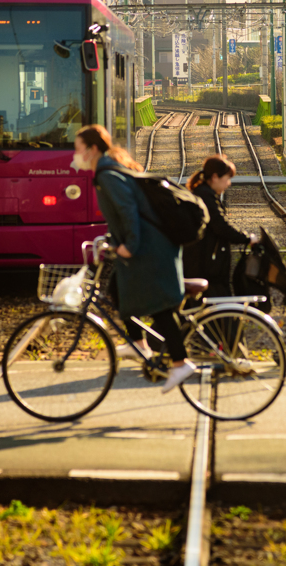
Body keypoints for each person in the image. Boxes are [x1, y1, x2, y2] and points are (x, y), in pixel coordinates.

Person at [72, 125, 196, 393]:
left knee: (159, 305)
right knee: (117, 287)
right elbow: (122, 213)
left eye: (78, 148)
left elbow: (128, 209)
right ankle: (137, 344)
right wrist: (112, 239)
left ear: (92, 150)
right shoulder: (106, 170)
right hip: (149, 245)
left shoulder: (106, 174)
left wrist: (130, 244)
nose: (75, 154)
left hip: (151, 248)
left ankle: (180, 362)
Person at [183, 155, 259, 297]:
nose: (228, 183)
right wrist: (247, 239)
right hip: (204, 267)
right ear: (215, 177)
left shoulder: (203, 193)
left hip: (202, 264)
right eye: (227, 178)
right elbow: (221, 226)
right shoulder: (205, 197)